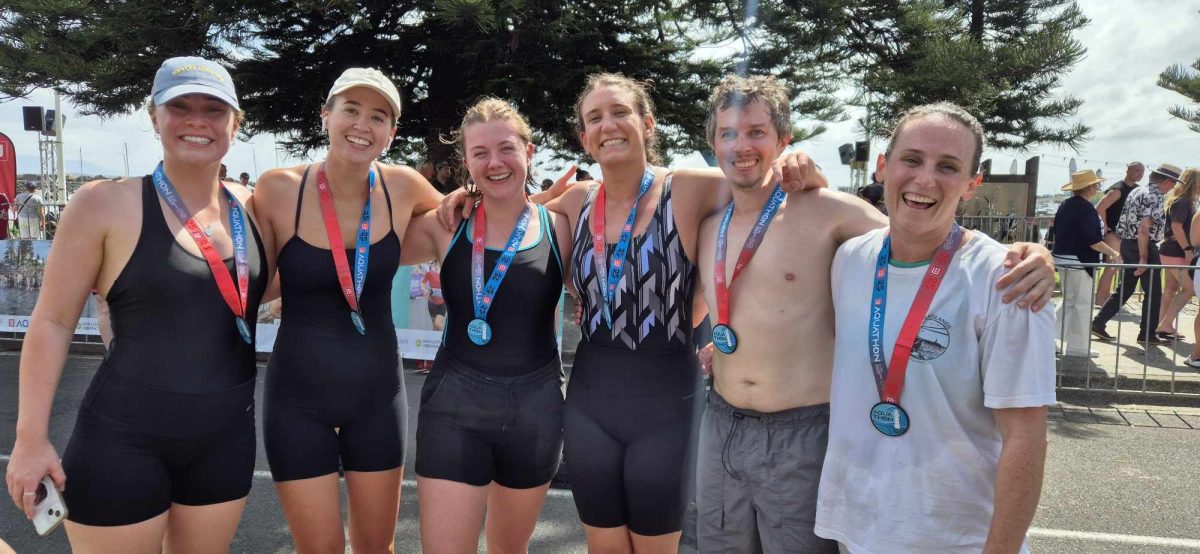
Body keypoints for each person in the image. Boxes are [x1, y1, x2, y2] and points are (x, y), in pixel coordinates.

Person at [439, 73, 1053, 553]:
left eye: (621, 111)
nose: (609, 125)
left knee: (666, 543)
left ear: (648, 123)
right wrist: (465, 196)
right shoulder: (576, 202)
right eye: (594, 117)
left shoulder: (696, 189)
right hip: (630, 405)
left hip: (704, 407)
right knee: (618, 541)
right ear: (581, 136)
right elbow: (514, 204)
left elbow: (913, 233)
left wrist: (1024, 254)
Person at [692, 76, 1056, 554]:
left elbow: (925, 238)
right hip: (734, 433)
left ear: (784, 141)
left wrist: (1033, 257)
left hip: (809, 437)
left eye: (757, 132)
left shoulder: (832, 216)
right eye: (728, 133)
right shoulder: (715, 226)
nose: (741, 144)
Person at [5, 56, 268, 552]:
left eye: (213, 109)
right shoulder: (103, 203)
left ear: (236, 122)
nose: (196, 120)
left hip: (224, 443)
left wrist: (454, 200)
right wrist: (29, 437)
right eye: (180, 107)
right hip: (124, 440)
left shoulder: (256, 208)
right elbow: (54, 320)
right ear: (153, 117)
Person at [815, 102, 1056, 553]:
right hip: (856, 528)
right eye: (911, 159)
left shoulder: (1007, 281)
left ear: (971, 184)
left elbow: (1025, 437)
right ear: (884, 166)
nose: (925, 180)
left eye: (947, 167)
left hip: (956, 540)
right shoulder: (849, 259)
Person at [251, 67, 442, 553]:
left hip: (377, 397)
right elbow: (250, 280)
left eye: (378, 116)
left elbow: (471, 224)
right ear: (326, 116)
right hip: (297, 401)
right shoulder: (277, 190)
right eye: (351, 110)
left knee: (377, 549)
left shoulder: (404, 186)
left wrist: (552, 205)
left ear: (391, 133)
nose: (362, 124)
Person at [401, 97, 575, 554]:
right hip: (455, 407)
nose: (494, 162)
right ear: (466, 162)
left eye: (506, 149)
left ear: (530, 152)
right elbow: (367, 230)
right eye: (480, 153)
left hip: (535, 410)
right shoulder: (445, 224)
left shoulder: (561, 227)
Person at [1092, 163, 1182, 344]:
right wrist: (1143, 256)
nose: (1173, 187)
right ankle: (1147, 333)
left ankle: (1098, 322)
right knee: (1153, 291)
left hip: (1127, 242)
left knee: (1125, 288)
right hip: (1143, 246)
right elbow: (1144, 229)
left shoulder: (1137, 191)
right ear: (1166, 181)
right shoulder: (1156, 196)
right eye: (1173, 183)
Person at [1053, 170, 1121, 358]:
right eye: (1096, 184)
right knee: (1081, 303)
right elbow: (1091, 239)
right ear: (1089, 187)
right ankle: (1078, 347)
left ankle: (1048, 338)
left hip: (1065, 258)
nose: (1098, 187)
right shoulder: (1084, 208)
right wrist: (1113, 252)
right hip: (1079, 261)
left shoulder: (1068, 205)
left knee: (1070, 302)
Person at [1155, 168, 1199, 341]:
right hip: (1177, 252)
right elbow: (1177, 226)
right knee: (1189, 289)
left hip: (1169, 250)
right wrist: (1188, 250)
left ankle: (1163, 325)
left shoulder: (1177, 200)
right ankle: (1165, 324)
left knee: (1170, 289)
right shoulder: (1184, 202)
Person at [1094, 162, 1145, 305]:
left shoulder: (1137, 189)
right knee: (1113, 266)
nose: (1140, 174)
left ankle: (1105, 297)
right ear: (1128, 170)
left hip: (1125, 234)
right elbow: (1100, 208)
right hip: (1113, 233)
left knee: (1116, 267)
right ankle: (1100, 299)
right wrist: (1106, 228)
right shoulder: (1118, 189)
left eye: (1142, 171)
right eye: (1136, 170)